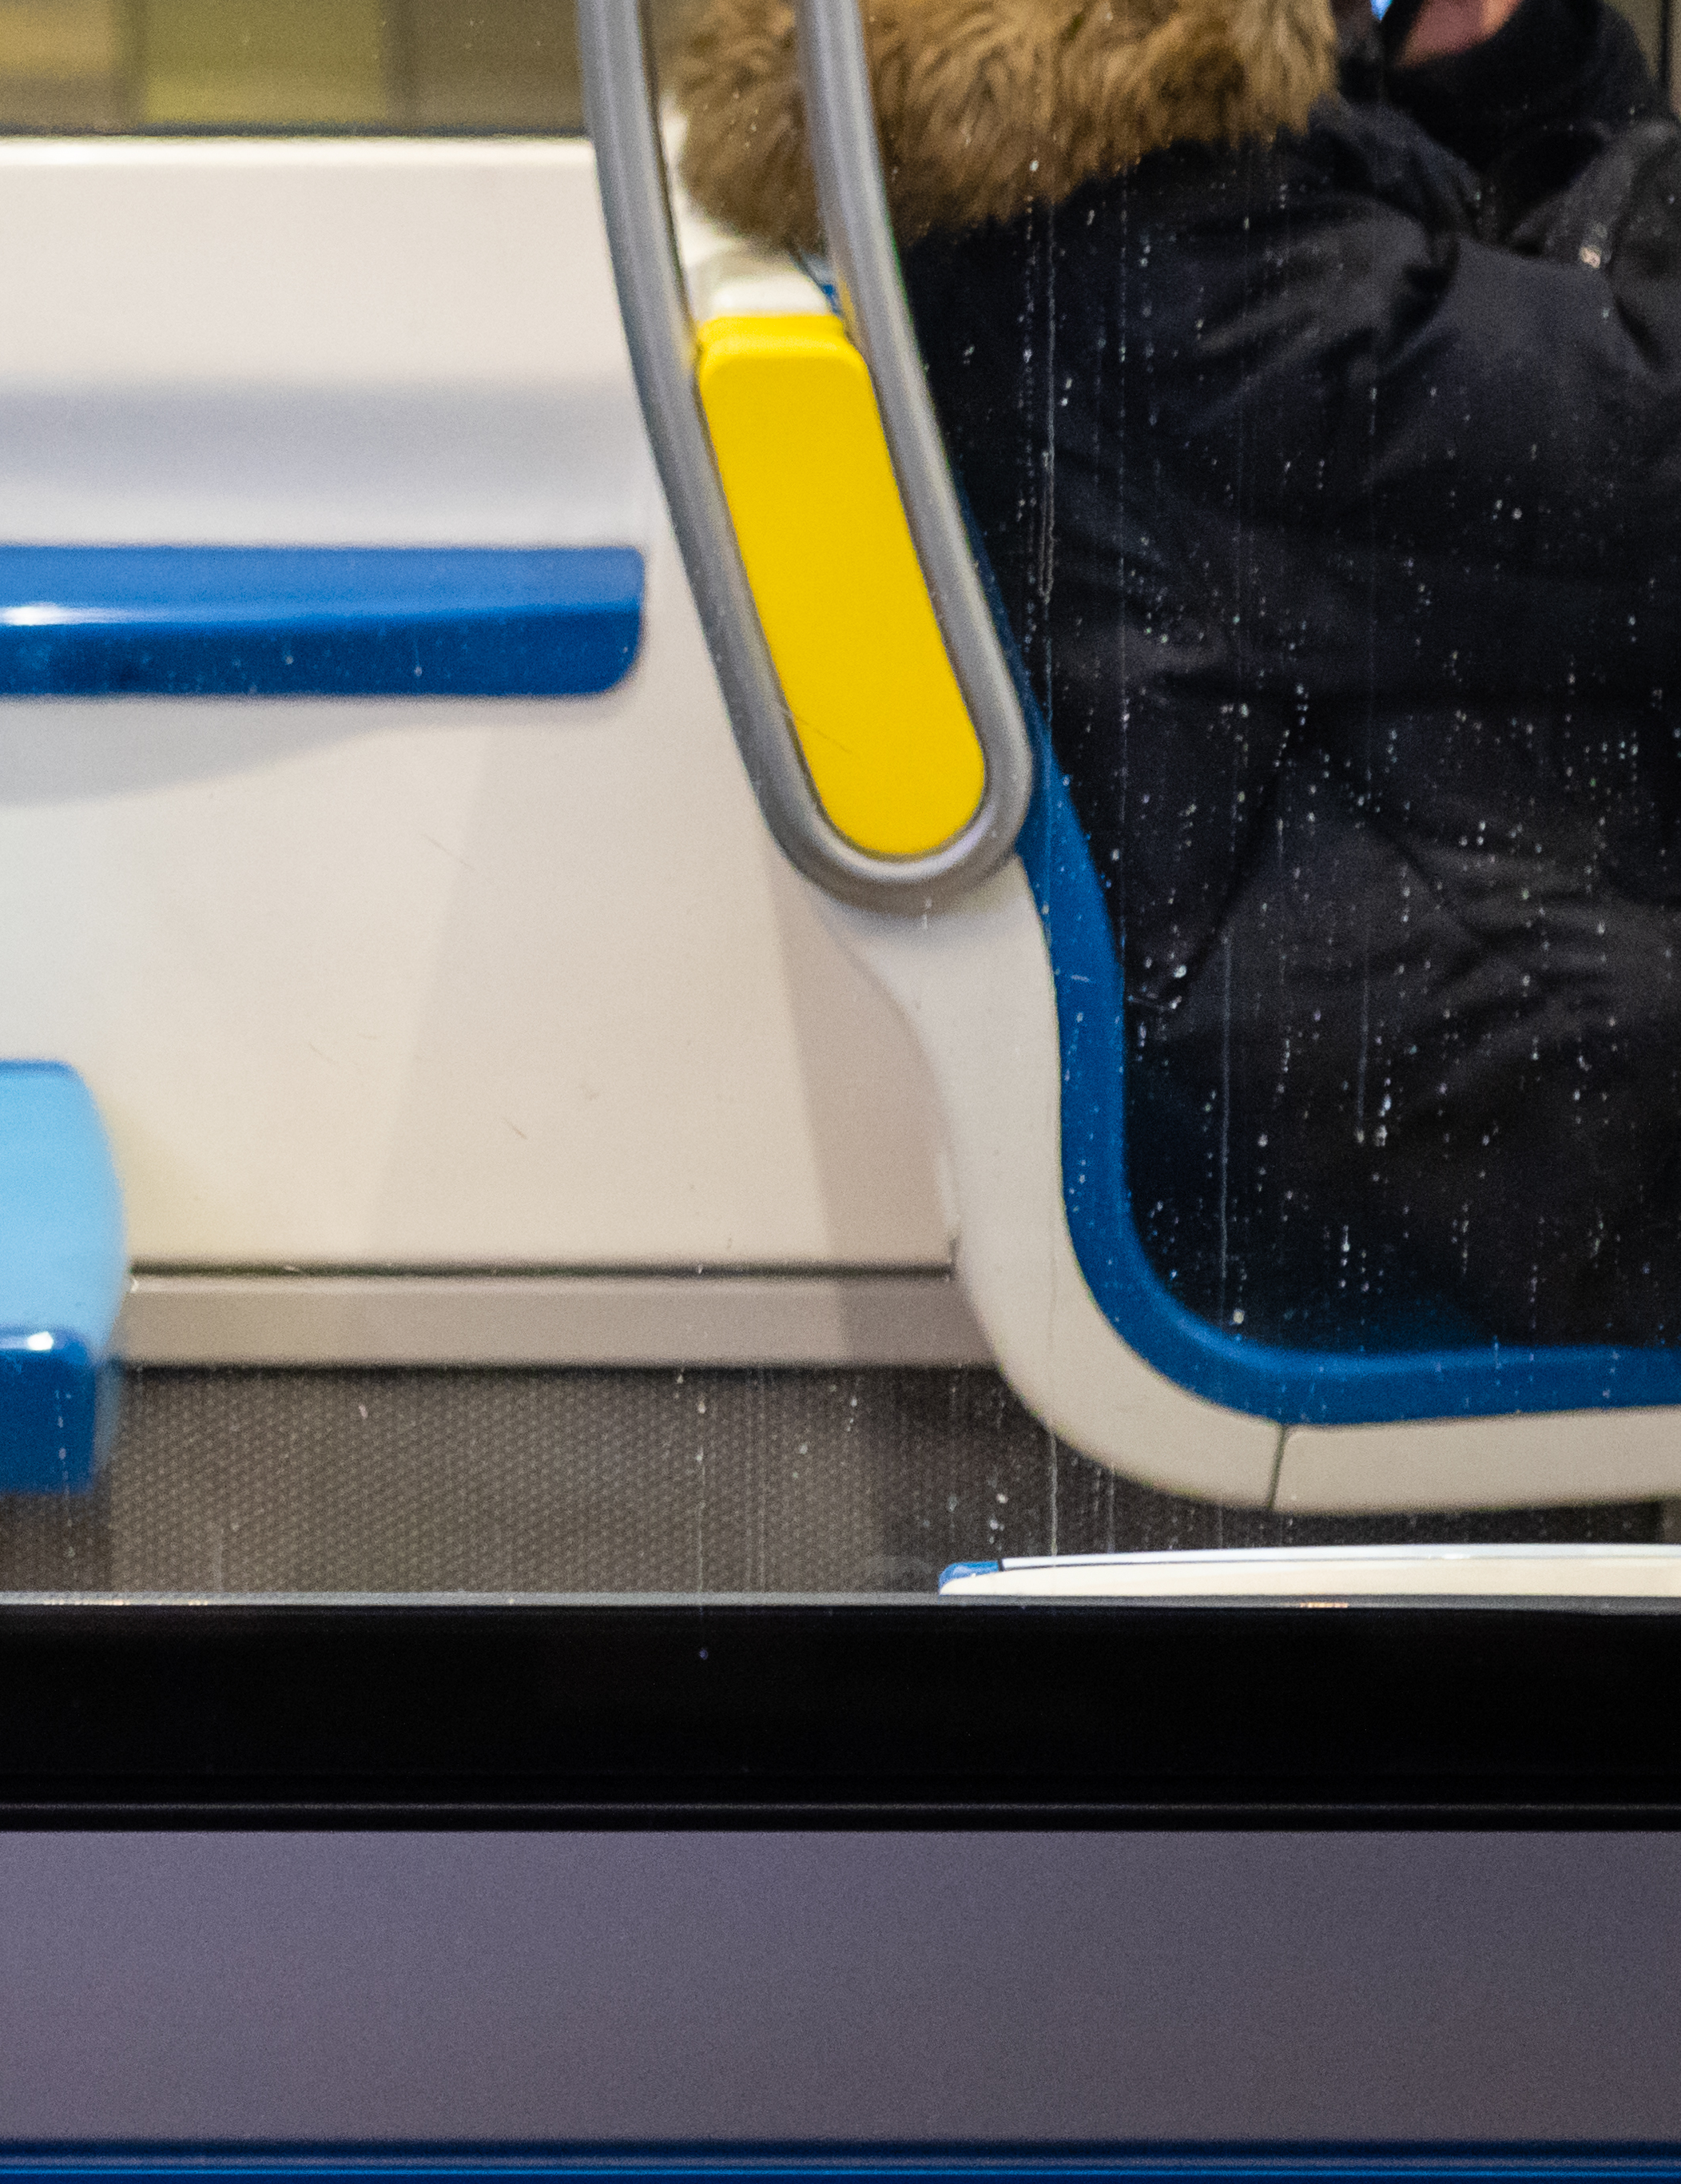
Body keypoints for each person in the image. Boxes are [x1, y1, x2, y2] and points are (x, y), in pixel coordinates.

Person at [674, 0, 1681, 1346]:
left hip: (1443, 915)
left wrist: (1506, 56)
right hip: (1490, 1050)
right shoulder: (1181, 247)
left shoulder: (1102, 162)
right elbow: (1631, 468)